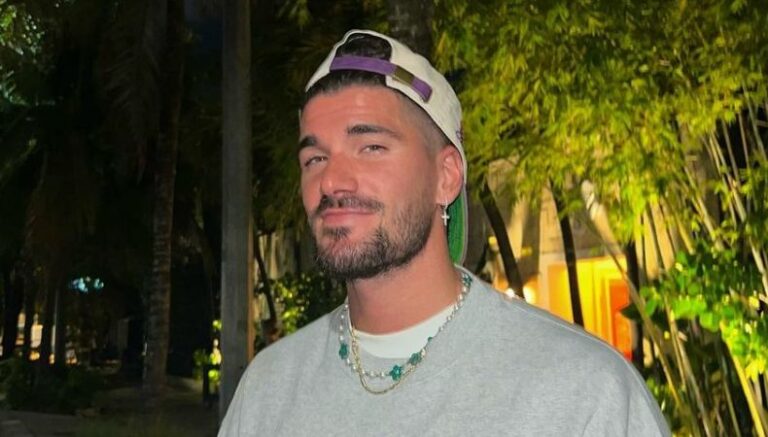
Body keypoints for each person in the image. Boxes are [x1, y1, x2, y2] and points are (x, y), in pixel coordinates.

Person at [219, 29, 671, 436]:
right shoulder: (268, 389)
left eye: (371, 147)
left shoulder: (584, 392)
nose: (332, 181)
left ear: (447, 176)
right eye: (315, 158)